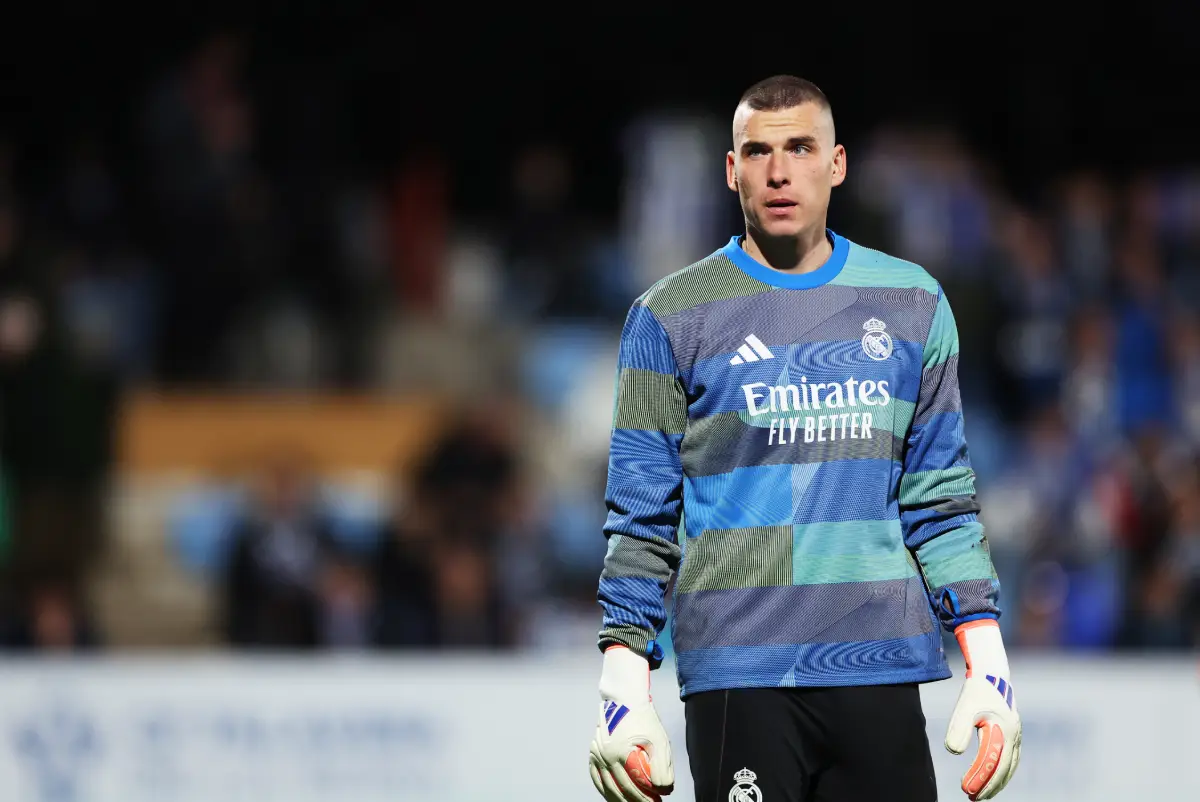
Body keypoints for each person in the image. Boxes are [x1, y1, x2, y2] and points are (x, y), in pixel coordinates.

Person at [587, 75, 1022, 802]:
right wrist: (623, 676)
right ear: (732, 171)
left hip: (877, 667)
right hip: (739, 675)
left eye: (800, 148)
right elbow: (641, 517)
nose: (779, 172)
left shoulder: (912, 303)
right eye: (759, 152)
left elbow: (940, 500)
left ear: (837, 163)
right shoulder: (669, 316)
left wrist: (988, 659)